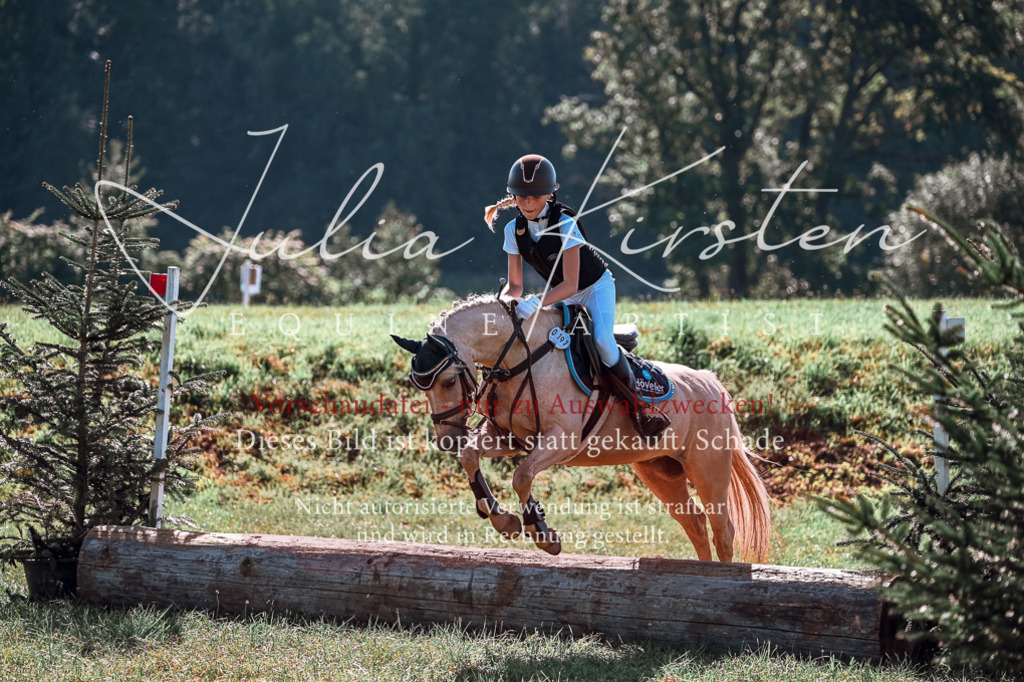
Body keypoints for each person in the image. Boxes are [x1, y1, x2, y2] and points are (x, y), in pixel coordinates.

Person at [484, 154, 669, 438]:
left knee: (602, 340)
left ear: (549, 194)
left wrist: (537, 302)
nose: (528, 203)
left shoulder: (565, 222)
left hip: (594, 288)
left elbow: (571, 284)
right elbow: (515, 286)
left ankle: (640, 410)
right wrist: (502, 306)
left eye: (535, 197)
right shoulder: (513, 230)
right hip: (561, 296)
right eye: (522, 197)